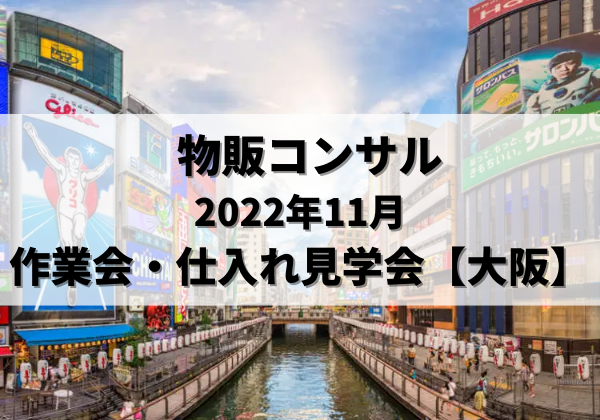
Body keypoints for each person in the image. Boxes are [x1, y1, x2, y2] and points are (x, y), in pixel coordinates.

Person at [23, 121, 113, 307]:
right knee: (69, 250)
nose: (74, 162)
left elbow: (96, 172)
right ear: (67, 159)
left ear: (80, 161)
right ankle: (72, 286)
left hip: (79, 209)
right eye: (71, 159)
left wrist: (106, 163)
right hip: (64, 209)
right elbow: (46, 154)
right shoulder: (62, 170)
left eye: (77, 159)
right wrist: (33, 135)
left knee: (79, 233)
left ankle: (78, 246)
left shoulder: (83, 176)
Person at [526, 50, 600, 115]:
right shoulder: (540, 95)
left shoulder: (592, 76)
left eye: (570, 63)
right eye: (558, 67)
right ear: (551, 72)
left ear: (578, 63)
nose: (564, 69)